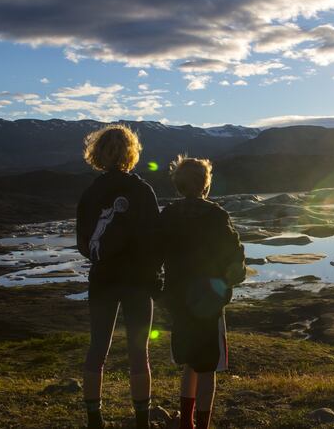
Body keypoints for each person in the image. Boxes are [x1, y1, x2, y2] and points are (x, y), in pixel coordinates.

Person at [76, 124, 161, 429]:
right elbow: (156, 239)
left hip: (103, 279)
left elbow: (83, 243)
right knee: (139, 353)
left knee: (97, 349)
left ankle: (94, 419)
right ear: (131, 152)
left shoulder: (91, 193)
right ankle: (142, 421)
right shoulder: (143, 191)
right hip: (138, 281)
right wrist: (155, 273)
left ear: (97, 154)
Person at [160, 156, 246, 429]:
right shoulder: (217, 215)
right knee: (208, 367)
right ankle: (203, 423)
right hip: (209, 302)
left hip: (178, 301)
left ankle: (187, 422)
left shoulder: (168, 215)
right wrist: (231, 281)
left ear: (178, 185)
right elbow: (234, 256)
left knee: (190, 362)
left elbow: (155, 253)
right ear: (206, 184)